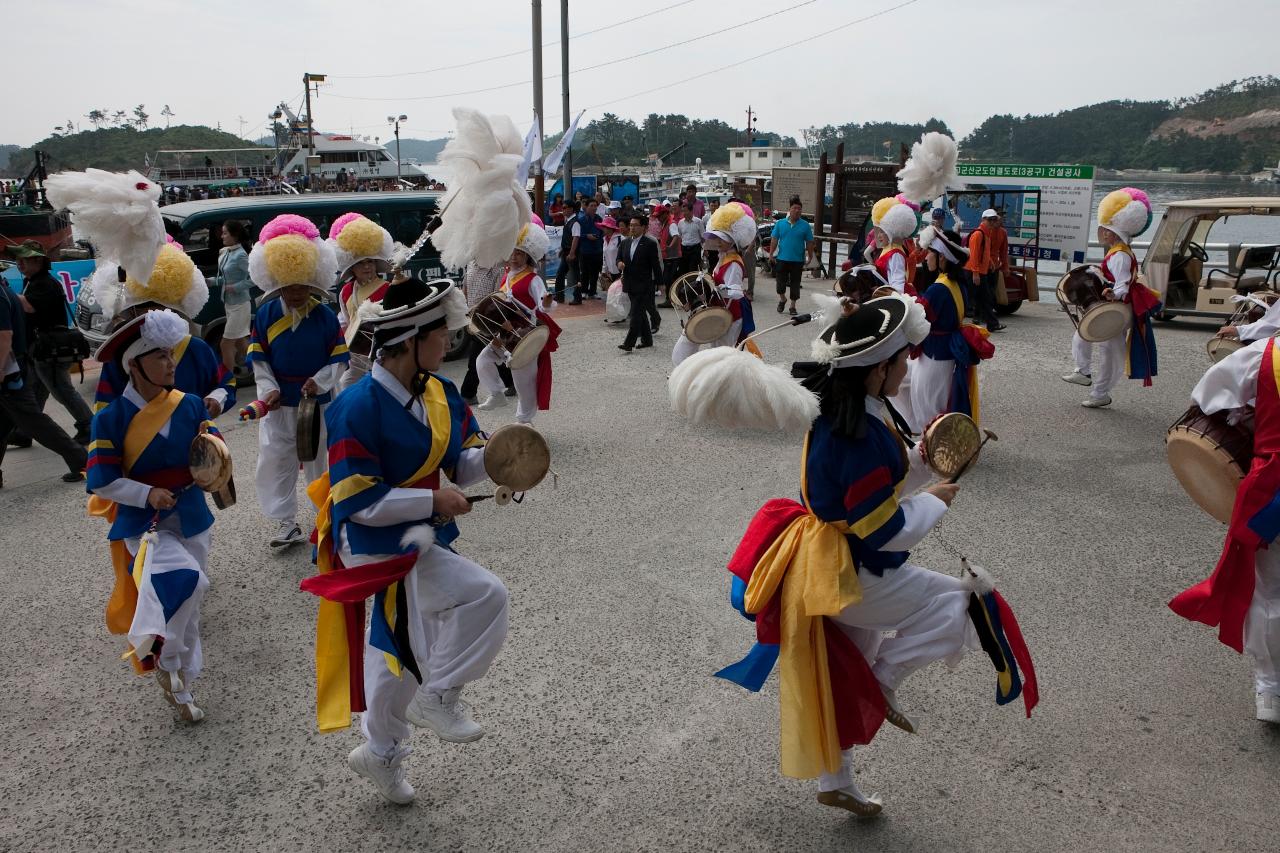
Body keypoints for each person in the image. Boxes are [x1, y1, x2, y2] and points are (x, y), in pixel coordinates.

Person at [715, 294, 1034, 816]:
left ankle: (836, 779)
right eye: (904, 359)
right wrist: (934, 500)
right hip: (850, 573)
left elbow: (877, 486)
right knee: (962, 603)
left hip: (829, 563)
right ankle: (883, 684)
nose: (910, 367)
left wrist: (921, 462)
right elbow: (884, 529)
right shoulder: (857, 435)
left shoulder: (852, 414)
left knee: (842, 674)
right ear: (876, 368)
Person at [302, 277, 508, 804]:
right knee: (484, 595)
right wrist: (432, 502)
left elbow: (460, 467)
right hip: (374, 543)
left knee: (399, 649)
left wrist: (506, 460)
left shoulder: (438, 392)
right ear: (408, 342)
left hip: (419, 536)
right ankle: (438, 696)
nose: (450, 343)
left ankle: (380, 752)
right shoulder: (355, 406)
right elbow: (359, 503)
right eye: (440, 335)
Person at [85, 309, 221, 722]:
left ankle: (180, 682)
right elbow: (101, 481)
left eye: (171, 355)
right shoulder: (110, 418)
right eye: (160, 356)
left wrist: (214, 462)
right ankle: (164, 661)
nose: (171, 363)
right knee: (184, 580)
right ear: (135, 365)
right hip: (145, 523)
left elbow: (210, 449)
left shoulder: (191, 403)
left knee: (189, 601)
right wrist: (146, 493)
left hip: (192, 513)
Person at [1170, 335, 1280, 724]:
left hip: (1273, 491)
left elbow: (1208, 396)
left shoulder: (1268, 354)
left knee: (1270, 591)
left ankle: (1270, 689)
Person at [246, 214, 348, 548]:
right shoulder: (265, 315)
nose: (296, 292)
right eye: (289, 286)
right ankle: (286, 523)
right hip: (279, 404)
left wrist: (319, 383)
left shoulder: (324, 316)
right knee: (276, 461)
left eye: (302, 285)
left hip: (318, 403)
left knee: (321, 461)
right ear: (276, 281)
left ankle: (326, 518)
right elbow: (259, 358)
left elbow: (338, 358)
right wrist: (269, 390)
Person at [91, 239, 234, 418]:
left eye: (161, 307)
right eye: (146, 307)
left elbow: (225, 384)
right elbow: (105, 408)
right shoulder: (121, 352)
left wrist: (216, 399)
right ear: (133, 311)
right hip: (138, 442)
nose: (154, 313)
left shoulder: (196, 348)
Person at [1061, 188, 1159, 409]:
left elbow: (1122, 283)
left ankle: (1093, 384)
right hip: (1116, 308)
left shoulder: (1119, 255)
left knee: (1103, 348)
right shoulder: (1119, 251)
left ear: (1112, 233)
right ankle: (1090, 381)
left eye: (1104, 229)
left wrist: (1113, 293)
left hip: (1117, 309)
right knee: (1095, 343)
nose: (1102, 233)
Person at [0, 275, 87, 487]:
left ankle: (82, 460)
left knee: (36, 423)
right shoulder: (5, 289)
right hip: (14, 368)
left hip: (9, 372)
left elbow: (4, 335)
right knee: (2, 423)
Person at [6, 241, 93, 444]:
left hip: (51, 350)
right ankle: (27, 431)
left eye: (24, 259)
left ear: (38, 261)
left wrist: (7, 293)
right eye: (18, 260)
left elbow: (29, 307)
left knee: (62, 390)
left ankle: (89, 425)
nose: (19, 263)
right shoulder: (34, 281)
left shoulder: (44, 283)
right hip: (42, 350)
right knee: (36, 392)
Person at [910, 225, 993, 427]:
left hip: (934, 355)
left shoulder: (938, 289)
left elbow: (917, 321)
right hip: (948, 353)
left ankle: (929, 447)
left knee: (927, 407)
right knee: (940, 403)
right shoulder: (958, 284)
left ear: (942, 257)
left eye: (930, 251)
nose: (926, 256)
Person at [476, 223, 559, 424]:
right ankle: (497, 393)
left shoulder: (533, 279)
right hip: (505, 333)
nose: (514, 257)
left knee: (523, 382)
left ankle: (524, 421)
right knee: (483, 360)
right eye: (512, 252)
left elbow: (543, 303)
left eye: (520, 253)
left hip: (526, 335)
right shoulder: (506, 276)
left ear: (528, 256)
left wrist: (547, 302)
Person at [671, 202, 756, 366]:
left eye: (722, 239)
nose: (718, 242)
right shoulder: (722, 257)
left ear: (732, 241)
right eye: (717, 238)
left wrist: (716, 289)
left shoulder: (734, 263)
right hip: (719, 308)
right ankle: (685, 370)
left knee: (725, 353)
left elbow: (736, 292)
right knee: (713, 349)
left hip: (732, 312)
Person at [328, 213, 394, 391]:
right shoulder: (346, 291)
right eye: (361, 263)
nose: (367, 266)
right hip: (355, 356)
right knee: (346, 386)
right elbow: (345, 320)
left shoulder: (388, 288)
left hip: (382, 353)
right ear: (352, 267)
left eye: (371, 262)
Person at [459, 261, 516, 405]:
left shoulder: (498, 267)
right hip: (473, 319)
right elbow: (465, 288)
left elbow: (498, 296)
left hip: (490, 319)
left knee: (477, 357)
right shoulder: (470, 264)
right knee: (495, 353)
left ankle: (468, 393)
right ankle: (512, 382)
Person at [618, 214, 662, 352]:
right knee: (641, 313)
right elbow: (619, 258)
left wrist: (661, 283)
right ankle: (647, 340)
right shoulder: (625, 242)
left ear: (643, 227)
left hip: (644, 284)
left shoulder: (650, 244)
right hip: (630, 283)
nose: (632, 228)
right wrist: (619, 263)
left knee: (636, 314)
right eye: (631, 225)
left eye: (635, 225)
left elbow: (656, 265)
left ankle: (629, 343)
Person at [216, 221, 253, 378]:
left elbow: (254, 278)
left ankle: (226, 380)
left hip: (240, 304)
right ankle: (261, 368)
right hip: (229, 303)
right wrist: (209, 281)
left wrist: (236, 287)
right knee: (240, 342)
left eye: (225, 233)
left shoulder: (241, 255)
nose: (222, 236)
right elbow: (223, 278)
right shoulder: (225, 252)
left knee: (225, 344)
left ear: (235, 235)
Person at [769, 196, 815, 317]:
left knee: (795, 283)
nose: (797, 210)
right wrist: (771, 254)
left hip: (797, 260)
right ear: (790, 209)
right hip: (782, 258)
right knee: (780, 284)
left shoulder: (805, 225)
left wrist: (810, 256)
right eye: (795, 208)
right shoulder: (780, 223)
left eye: (799, 209)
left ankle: (793, 306)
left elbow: (810, 242)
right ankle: (782, 299)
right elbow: (774, 239)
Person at [963, 209, 1008, 332]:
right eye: (990, 220)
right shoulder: (979, 234)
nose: (992, 222)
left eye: (994, 219)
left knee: (983, 298)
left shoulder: (987, 234)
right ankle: (991, 323)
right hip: (973, 271)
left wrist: (991, 263)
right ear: (983, 220)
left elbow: (985, 253)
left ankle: (991, 323)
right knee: (972, 298)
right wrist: (976, 273)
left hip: (980, 271)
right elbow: (975, 255)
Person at [567, 199, 603, 303]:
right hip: (585, 250)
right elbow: (577, 235)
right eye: (591, 206)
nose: (594, 208)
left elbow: (602, 232)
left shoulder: (599, 219)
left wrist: (598, 237)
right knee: (584, 272)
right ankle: (584, 291)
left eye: (595, 206)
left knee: (595, 273)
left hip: (597, 250)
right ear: (586, 207)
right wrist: (587, 236)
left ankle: (593, 292)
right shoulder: (581, 220)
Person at [553, 200, 579, 303]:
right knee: (560, 274)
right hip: (566, 252)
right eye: (562, 208)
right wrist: (562, 250)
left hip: (571, 253)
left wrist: (572, 253)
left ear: (571, 209)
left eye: (564, 208)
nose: (562, 210)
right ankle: (559, 296)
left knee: (575, 275)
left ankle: (577, 298)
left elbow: (576, 238)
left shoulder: (575, 222)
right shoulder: (568, 221)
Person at [677, 202, 705, 277]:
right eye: (683, 211)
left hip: (695, 249)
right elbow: (680, 235)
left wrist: (704, 249)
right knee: (683, 270)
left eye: (686, 211)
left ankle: (693, 286)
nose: (684, 213)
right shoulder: (680, 223)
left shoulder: (698, 222)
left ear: (691, 211)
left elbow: (703, 237)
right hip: (684, 249)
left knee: (693, 270)